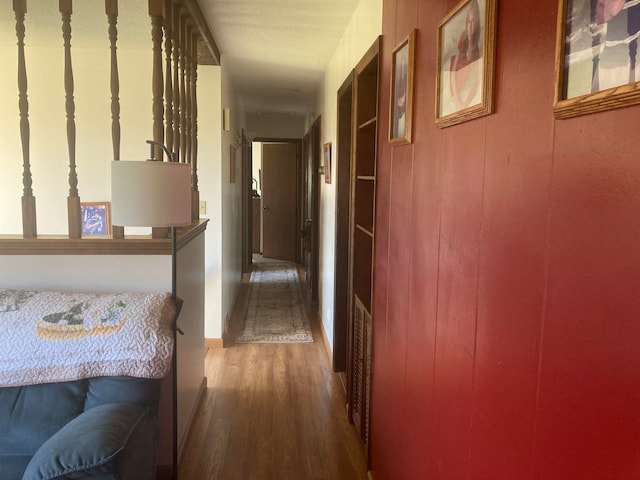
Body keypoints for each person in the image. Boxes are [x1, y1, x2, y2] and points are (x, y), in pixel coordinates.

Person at [450, 0, 482, 110]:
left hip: (463, 86)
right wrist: (457, 99)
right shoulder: (463, 37)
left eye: (473, 22)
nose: (470, 26)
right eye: (468, 22)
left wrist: (465, 104)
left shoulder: (476, 51)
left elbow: (475, 84)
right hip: (454, 86)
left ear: (476, 24)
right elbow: (452, 73)